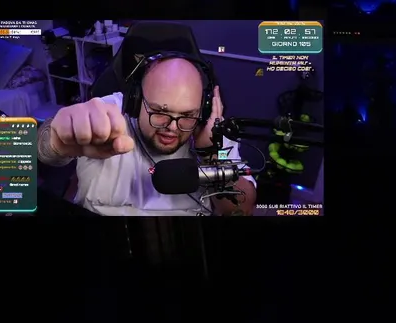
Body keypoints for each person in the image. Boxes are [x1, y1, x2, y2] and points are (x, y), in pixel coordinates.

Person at [36, 56, 256, 216]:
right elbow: (44, 147)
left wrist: (211, 155)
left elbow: (241, 210)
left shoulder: (211, 129)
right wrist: (57, 142)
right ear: (136, 100)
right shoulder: (110, 110)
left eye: (187, 115)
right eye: (159, 111)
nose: (172, 127)